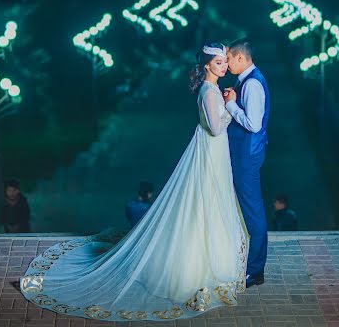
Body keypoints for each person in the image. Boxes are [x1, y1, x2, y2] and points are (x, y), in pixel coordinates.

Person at [20, 43, 248, 321]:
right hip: (211, 150)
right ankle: (196, 263)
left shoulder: (209, 90)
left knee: (206, 199)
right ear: (206, 66)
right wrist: (230, 105)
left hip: (211, 150)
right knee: (205, 199)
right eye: (219, 63)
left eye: (225, 62)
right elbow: (215, 127)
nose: (224, 66)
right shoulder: (210, 92)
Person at [224, 38, 269, 289]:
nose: (227, 63)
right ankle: (247, 262)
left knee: (253, 211)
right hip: (244, 153)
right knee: (246, 209)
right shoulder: (246, 81)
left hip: (247, 156)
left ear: (241, 58)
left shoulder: (252, 85)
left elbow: (254, 124)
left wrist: (230, 105)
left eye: (229, 58)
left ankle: (255, 270)